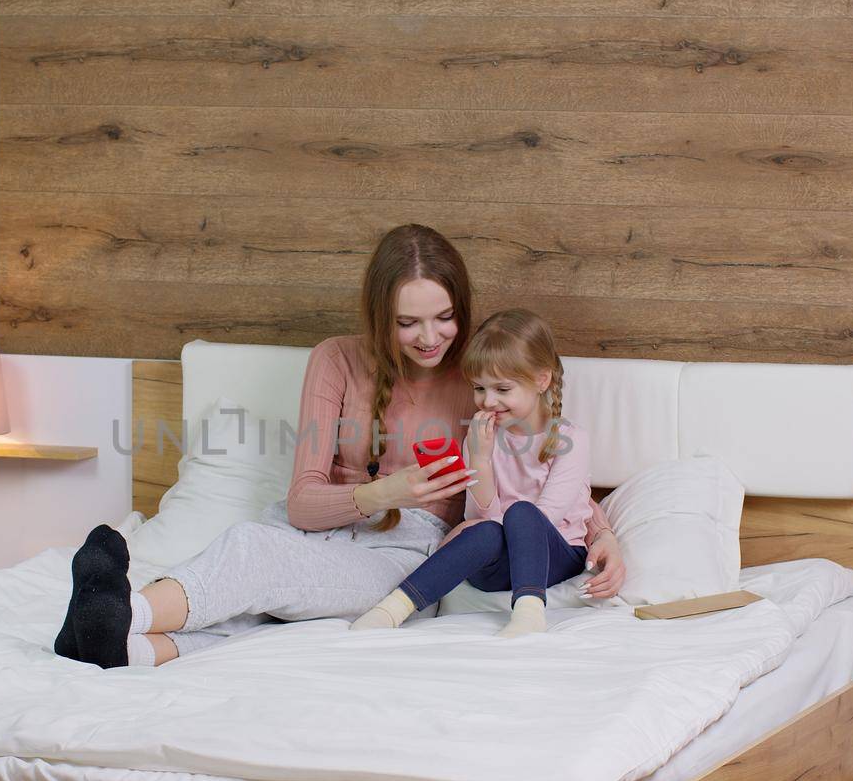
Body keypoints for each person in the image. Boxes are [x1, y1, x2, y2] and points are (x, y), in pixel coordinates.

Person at [56, 225, 626, 668]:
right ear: (382, 316)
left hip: (407, 552)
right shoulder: (336, 360)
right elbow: (303, 503)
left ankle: (122, 609)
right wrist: (387, 489)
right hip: (315, 528)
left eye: (445, 318)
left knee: (255, 556)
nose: (430, 339)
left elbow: (543, 474)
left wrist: (604, 537)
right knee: (258, 605)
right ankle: (120, 648)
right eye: (408, 323)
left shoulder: (481, 381)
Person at [350, 309, 599, 637]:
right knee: (483, 533)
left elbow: (546, 519)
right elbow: (479, 517)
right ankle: (392, 609)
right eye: (479, 389)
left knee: (522, 513)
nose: (488, 401)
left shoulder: (571, 440)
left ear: (542, 379)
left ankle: (528, 614)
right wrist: (480, 459)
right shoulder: (481, 438)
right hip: (500, 564)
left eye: (502, 389)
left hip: (555, 555)